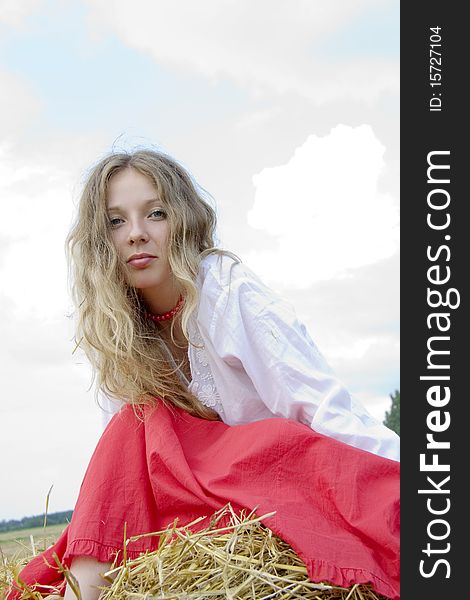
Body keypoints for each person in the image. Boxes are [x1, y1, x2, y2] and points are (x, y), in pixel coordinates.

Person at [9, 149, 400, 600]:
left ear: (182, 220)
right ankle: (87, 588)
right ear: (101, 241)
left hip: (274, 475)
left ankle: (81, 593)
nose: (136, 234)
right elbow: (121, 468)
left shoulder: (228, 289)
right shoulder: (115, 325)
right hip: (204, 505)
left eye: (155, 214)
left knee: (136, 421)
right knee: (133, 422)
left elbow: (323, 405)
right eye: (116, 221)